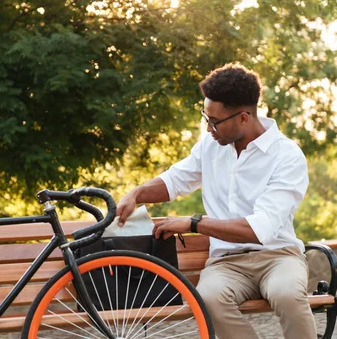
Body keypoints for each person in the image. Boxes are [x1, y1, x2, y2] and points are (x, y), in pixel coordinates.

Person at [116, 62, 317, 339]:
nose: (208, 127)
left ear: (243, 118)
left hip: (278, 256)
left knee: (287, 296)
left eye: (214, 121)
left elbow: (260, 229)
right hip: (226, 263)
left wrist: (195, 223)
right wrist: (136, 194)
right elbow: (175, 180)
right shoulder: (212, 146)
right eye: (205, 117)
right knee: (207, 298)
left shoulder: (287, 156)